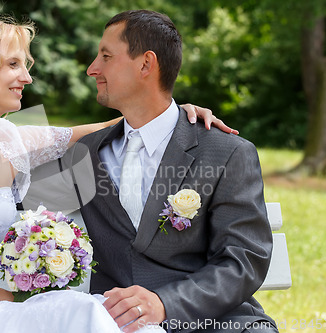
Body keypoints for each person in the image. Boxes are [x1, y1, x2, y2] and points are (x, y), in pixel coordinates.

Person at [0, 12, 230, 333]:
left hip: (2, 308)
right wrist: (16, 302)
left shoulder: (11, 138)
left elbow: (108, 126)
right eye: (14, 64)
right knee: (80, 313)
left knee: (116, 321)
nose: (27, 78)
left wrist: (174, 113)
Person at [56, 10, 278, 333]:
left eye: (105, 56)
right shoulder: (85, 155)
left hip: (212, 322)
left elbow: (244, 260)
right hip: (114, 323)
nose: (92, 69)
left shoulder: (225, 153)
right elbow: (14, 204)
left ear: (146, 64)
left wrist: (165, 304)